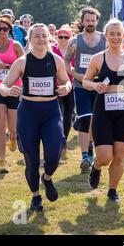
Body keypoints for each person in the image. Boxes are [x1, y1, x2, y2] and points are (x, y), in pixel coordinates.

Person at [0, 23, 72, 212]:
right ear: (30, 40)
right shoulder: (22, 62)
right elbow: (3, 86)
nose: (40, 39)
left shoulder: (56, 60)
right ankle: (35, 197)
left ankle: (47, 178)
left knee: (54, 154)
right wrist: (9, 90)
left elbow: (66, 82)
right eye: (36, 36)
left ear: (49, 38)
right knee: (31, 159)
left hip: (51, 112)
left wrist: (66, 88)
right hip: (28, 112)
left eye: (44, 36)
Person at [84, 19, 124, 202]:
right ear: (106, 36)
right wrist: (95, 86)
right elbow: (86, 81)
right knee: (104, 155)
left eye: (119, 34)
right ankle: (96, 166)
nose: (116, 37)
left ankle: (112, 190)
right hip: (104, 108)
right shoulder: (98, 58)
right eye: (112, 34)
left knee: (119, 154)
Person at [65, 7, 106, 171]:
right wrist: (77, 75)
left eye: (93, 20)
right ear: (82, 22)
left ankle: (90, 146)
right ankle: (84, 156)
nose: (90, 23)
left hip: (100, 87)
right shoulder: (75, 41)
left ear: (97, 21)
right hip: (81, 86)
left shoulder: (105, 39)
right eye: (87, 20)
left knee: (96, 121)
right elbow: (66, 63)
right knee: (85, 119)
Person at [0, 18, 25, 173]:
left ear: (9, 30)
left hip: (14, 88)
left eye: (5, 29)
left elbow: (24, 63)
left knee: (12, 126)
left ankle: (13, 137)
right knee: (0, 124)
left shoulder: (15, 45)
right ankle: (2, 159)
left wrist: (7, 66)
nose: (1, 32)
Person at [52, 26, 75, 159]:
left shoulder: (73, 51)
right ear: (56, 37)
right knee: (58, 114)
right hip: (56, 87)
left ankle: (64, 138)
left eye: (66, 37)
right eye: (60, 37)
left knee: (68, 114)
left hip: (70, 86)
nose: (63, 39)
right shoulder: (53, 50)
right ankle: (58, 137)